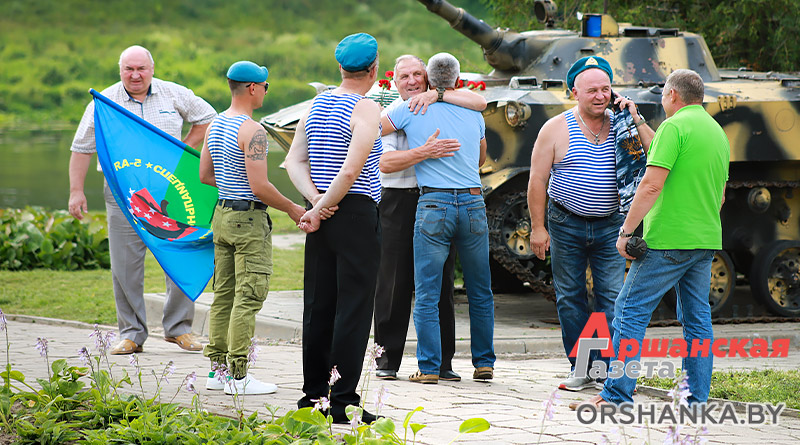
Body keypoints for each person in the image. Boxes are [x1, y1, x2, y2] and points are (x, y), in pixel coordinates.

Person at [573, 69, 730, 408]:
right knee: (697, 321)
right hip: (705, 239)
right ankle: (695, 400)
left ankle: (616, 394)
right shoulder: (716, 132)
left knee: (629, 310)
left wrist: (626, 232)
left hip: (667, 240)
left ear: (673, 95)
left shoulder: (673, 127)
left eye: (663, 94)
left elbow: (651, 184)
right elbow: (720, 194)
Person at [68, 45, 216, 355]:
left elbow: (208, 118)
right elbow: (81, 148)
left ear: (151, 69)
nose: (135, 75)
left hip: (172, 190)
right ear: (120, 70)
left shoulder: (174, 93)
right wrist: (76, 191)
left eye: (141, 69)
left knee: (180, 250)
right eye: (129, 69)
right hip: (123, 193)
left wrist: (181, 150)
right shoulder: (104, 103)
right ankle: (132, 333)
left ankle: (179, 328)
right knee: (125, 264)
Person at [527, 56, 654, 391]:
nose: (600, 96)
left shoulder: (624, 124)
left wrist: (635, 117)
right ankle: (581, 367)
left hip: (611, 224)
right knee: (570, 298)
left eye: (606, 89)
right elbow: (537, 180)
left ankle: (606, 370)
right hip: (565, 222)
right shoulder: (555, 128)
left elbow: (657, 152)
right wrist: (538, 228)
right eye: (592, 90)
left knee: (611, 297)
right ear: (575, 93)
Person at [284, 33, 383, 424]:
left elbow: (294, 162)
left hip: (321, 214)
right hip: (355, 213)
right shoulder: (366, 108)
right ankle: (342, 401)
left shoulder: (315, 104)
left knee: (319, 305)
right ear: (374, 68)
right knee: (353, 308)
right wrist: (323, 204)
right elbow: (351, 170)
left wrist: (315, 204)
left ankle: (313, 397)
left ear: (339, 67)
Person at [382, 52, 494, 384]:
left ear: (428, 79)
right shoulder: (473, 111)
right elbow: (482, 157)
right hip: (473, 204)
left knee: (427, 291)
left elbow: (374, 129)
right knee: (480, 290)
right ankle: (484, 363)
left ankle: (429, 367)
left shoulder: (410, 109)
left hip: (434, 203)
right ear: (457, 80)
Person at [198, 61, 305, 395]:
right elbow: (260, 187)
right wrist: (293, 208)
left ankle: (217, 372)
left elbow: (205, 175)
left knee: (223, 296)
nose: (265, 92)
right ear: (253, 88)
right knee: (248, 296)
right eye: (265, 86)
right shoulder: (253, 131)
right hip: (248, 221)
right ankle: (239, 377)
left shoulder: (215, 124)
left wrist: (233, 185)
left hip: (222, 215)